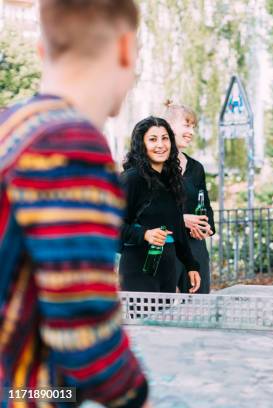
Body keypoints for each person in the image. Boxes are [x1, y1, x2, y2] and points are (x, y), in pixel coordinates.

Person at [0, 1, 149, 406]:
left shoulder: (10, 129)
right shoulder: (67, 143)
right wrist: (137, 397)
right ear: (125, 48)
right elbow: (83, 333)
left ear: (41, 51)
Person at [119, 116, 202, 294]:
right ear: (141, 144)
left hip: (167, 271)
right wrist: (145, 234)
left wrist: (190, 264)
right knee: (142, 322)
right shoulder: (131, 179)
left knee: (163, 322)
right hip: (138, 271)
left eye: (165, 138)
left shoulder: (172, 180)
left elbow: (177, 227)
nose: (160, 145)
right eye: (152, 139)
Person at [163, 101, 215, 294]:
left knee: (200, 311)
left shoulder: (196, 168)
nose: (191, 132)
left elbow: (206, 206)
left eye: (193, 127)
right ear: (168, 125)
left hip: (195, 249)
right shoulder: (152, 166)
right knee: (159, 311)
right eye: (186, 125)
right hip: (165, 249)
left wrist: (207, 227)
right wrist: (182, 220)